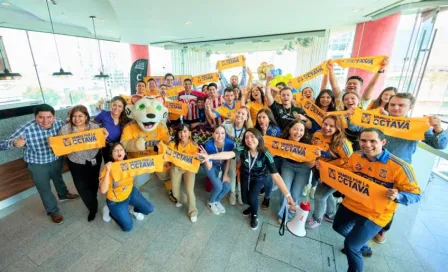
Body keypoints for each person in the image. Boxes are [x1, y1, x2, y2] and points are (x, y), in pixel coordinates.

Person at [347, 92, 447, 243]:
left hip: (396, 172)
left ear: (410, 107)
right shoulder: (380, 120)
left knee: (389, 200)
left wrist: (438, 129)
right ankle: (359, 232)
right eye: (393, 104)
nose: (396, 108)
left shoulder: (417, 126)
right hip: (371, 166)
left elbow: (439, 144)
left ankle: (380, 230)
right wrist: (351, 116)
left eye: (401, 105)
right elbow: (356, 127)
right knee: (365, 195)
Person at [324, 128, 421, 272]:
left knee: (351, 246)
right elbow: (346, 174)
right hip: (352, 204)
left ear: (383, 142)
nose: (367, 145)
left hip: (376, 213)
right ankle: (363, 246)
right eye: (363, 140)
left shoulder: (400, 167)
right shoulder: (356, 156)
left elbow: (416, 195)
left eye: (372, 141)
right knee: (338, 227)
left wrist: (398, 196)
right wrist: (326, 169)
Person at [198, 128, 296, 230]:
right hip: (245, 176)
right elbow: (229, 154)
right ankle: (251, 207)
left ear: (259, 138)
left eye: (252, 136)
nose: (249, 139)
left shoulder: (266, 154)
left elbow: (276, 176)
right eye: (246, 137)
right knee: (245, 199)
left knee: (253, 197)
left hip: (259, 178)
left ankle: (254, 215)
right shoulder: (243, 149)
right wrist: (210, 157)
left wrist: (288, 196)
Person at [0, 104, 79, 224]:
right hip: (37, 163)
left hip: (56, 158)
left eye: (49, 117)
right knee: (44, 188)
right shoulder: (26, 128)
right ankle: (53, 211)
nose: (45, 121)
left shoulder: (58, 123)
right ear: (35, 117)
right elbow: (2, 144)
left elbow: (67, 134)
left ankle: (63, 194)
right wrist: (14, 143)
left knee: (58, 179)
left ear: (54, 116)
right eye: (41, 117)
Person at [59, 105, 108, 222]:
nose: (77, 119)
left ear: (86, 117)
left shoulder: (95, 127)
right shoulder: (65, 129)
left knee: (94, 181)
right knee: (81, 186)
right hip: (76, 161)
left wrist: (104, 137)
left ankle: (93, 197)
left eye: (80, 116)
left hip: (93, 158)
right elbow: (61, 147)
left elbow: (100, 143)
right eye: (74, 116)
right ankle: (92, 208)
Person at [306, 115, 353, 229]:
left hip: (335, 175)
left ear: (338, 128)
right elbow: (312, 150)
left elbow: (350, 162)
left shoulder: (342, 143)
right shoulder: (317, 134)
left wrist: (327, 167)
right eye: (325, 124)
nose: (327, 128)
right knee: (327, 193)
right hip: (318, 170)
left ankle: (317, 219)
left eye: (331, 126)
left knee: (319, 197)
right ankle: (331, 214)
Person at [99, 143, 154, 232]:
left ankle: (135, 211)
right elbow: (103, 190)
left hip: (131, 193)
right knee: (128, 227)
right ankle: (110, 211)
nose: (118, 152)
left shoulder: (130, 163)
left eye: (121, 149)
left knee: (149, 209)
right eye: (115, 150)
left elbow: (148, 163)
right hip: (116, 201)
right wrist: (108, 171)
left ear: (125, 152)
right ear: (111, 154)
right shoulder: (108, 168)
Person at [277, 120, 316, 222]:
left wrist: (301, 156)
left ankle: (289, 213)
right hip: (287, 166)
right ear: (290, 130)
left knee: (295, 193)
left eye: (301, 130)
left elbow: (311, 165)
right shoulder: (283, 139)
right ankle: (282, 215)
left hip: (303, 169)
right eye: (295, 129)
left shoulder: (307, 143)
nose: (298, 132)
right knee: (284, 190)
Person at [169, 124, 199, 223]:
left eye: (185, 131)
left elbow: (196, 160)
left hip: (189, 170)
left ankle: (193, 212)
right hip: (176, 168)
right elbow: (167, 155)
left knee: (189, 190)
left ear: (189, 133)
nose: (183, 134)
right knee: (175, 192)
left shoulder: (194, 145)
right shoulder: (172, 144)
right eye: (180, 132)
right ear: (177, 134)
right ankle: (182, 199)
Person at [201, 126, 235, 215]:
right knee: (219, 187)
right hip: (211, 165)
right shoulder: (209, 145)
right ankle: (210, 202)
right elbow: (209, 166)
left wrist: (225, 174)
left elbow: (229, 159)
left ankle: (217, 200)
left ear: (225, 135)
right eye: (217, 133)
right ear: (213, 135)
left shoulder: (230, 144)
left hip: (222, 166)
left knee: (227, 187)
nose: (220, 135)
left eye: (222, 133)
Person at [223, 107, 251, 205]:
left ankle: (240, 192)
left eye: (243, 114)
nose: (240, 115)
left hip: (243, 154)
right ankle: (232, 192)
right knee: (232, 172)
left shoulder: (248, 130)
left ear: (246, 118)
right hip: (230, 154)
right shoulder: (227, 124)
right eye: (238, 112)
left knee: (241, 173)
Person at [254, 109, 282, 208]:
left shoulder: (275, 130)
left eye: (264, 117)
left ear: (269, 119)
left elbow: (273, 149)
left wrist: (265, 133)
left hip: (272, 158)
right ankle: (263, 188)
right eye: (259, 117)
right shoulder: (256, 129)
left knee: (269, 179)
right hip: (260, 157)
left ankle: (267, 197)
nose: (261, 120)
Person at [94, 96, 129, 163]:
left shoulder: (126, 119)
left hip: (121, 147)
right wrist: (101, 130)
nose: (116, 108)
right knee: (109, 166)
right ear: (111, 105)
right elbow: (92, 125)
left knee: (121, 166)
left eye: (120, 106)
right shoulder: (103, 114)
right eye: (114, 105)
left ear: (123, 108)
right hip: (107, 147)